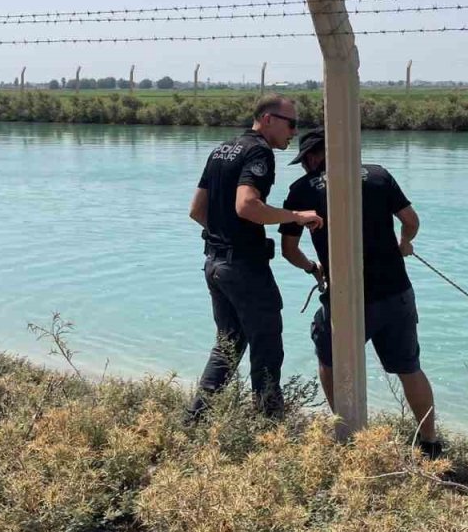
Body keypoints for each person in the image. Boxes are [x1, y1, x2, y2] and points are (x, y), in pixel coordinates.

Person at [278, 129, 441, 457]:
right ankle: (430, 442)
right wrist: (404, 243)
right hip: (396, 291)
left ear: (312, 157)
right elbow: (410, 220)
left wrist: (313, 268)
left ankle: (347, 435)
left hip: (347, 299)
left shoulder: (301, 190)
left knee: (329, 356)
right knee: (409, 367)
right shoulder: (379, 174)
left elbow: (288, 250)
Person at [187, 95, 323, 421]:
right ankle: (267, 426)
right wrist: (295, 216)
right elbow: (246, 205)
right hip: (244, 267)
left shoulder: (221, 149)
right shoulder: (259, 151)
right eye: (291, 124)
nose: (294, 131)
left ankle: (195, 419)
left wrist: (225, 236)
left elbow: (196, 211)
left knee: (228, 344)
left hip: (215, 263)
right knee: (267, 347)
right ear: (267, 119)